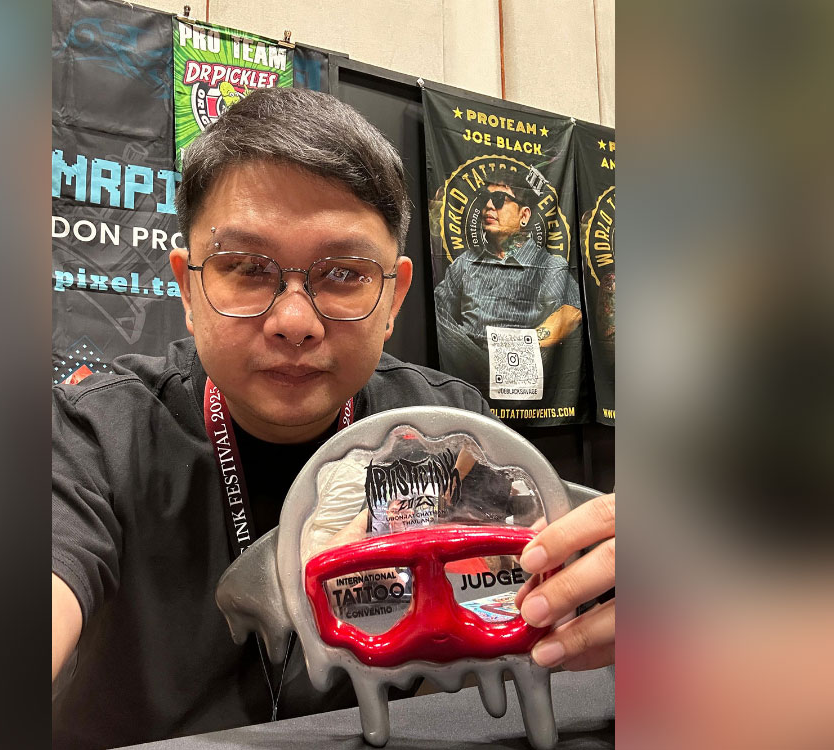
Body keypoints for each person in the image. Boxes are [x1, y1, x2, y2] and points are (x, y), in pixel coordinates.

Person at [52, 88, 614, 749]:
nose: (295, 322)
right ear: (188, 287)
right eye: (246, 269)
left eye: (345, 274)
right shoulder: (95, 435)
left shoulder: (455, 431)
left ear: (394, 298)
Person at [433, 182, 583, 395]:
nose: (488, 206)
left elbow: (571, 314)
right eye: (484, 199)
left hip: (524, 385)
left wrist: (510, 351)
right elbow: (438, 313)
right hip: (467, 385)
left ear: (524, 215)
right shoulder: (464, 264)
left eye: (498, 200)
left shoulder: (549, 266)